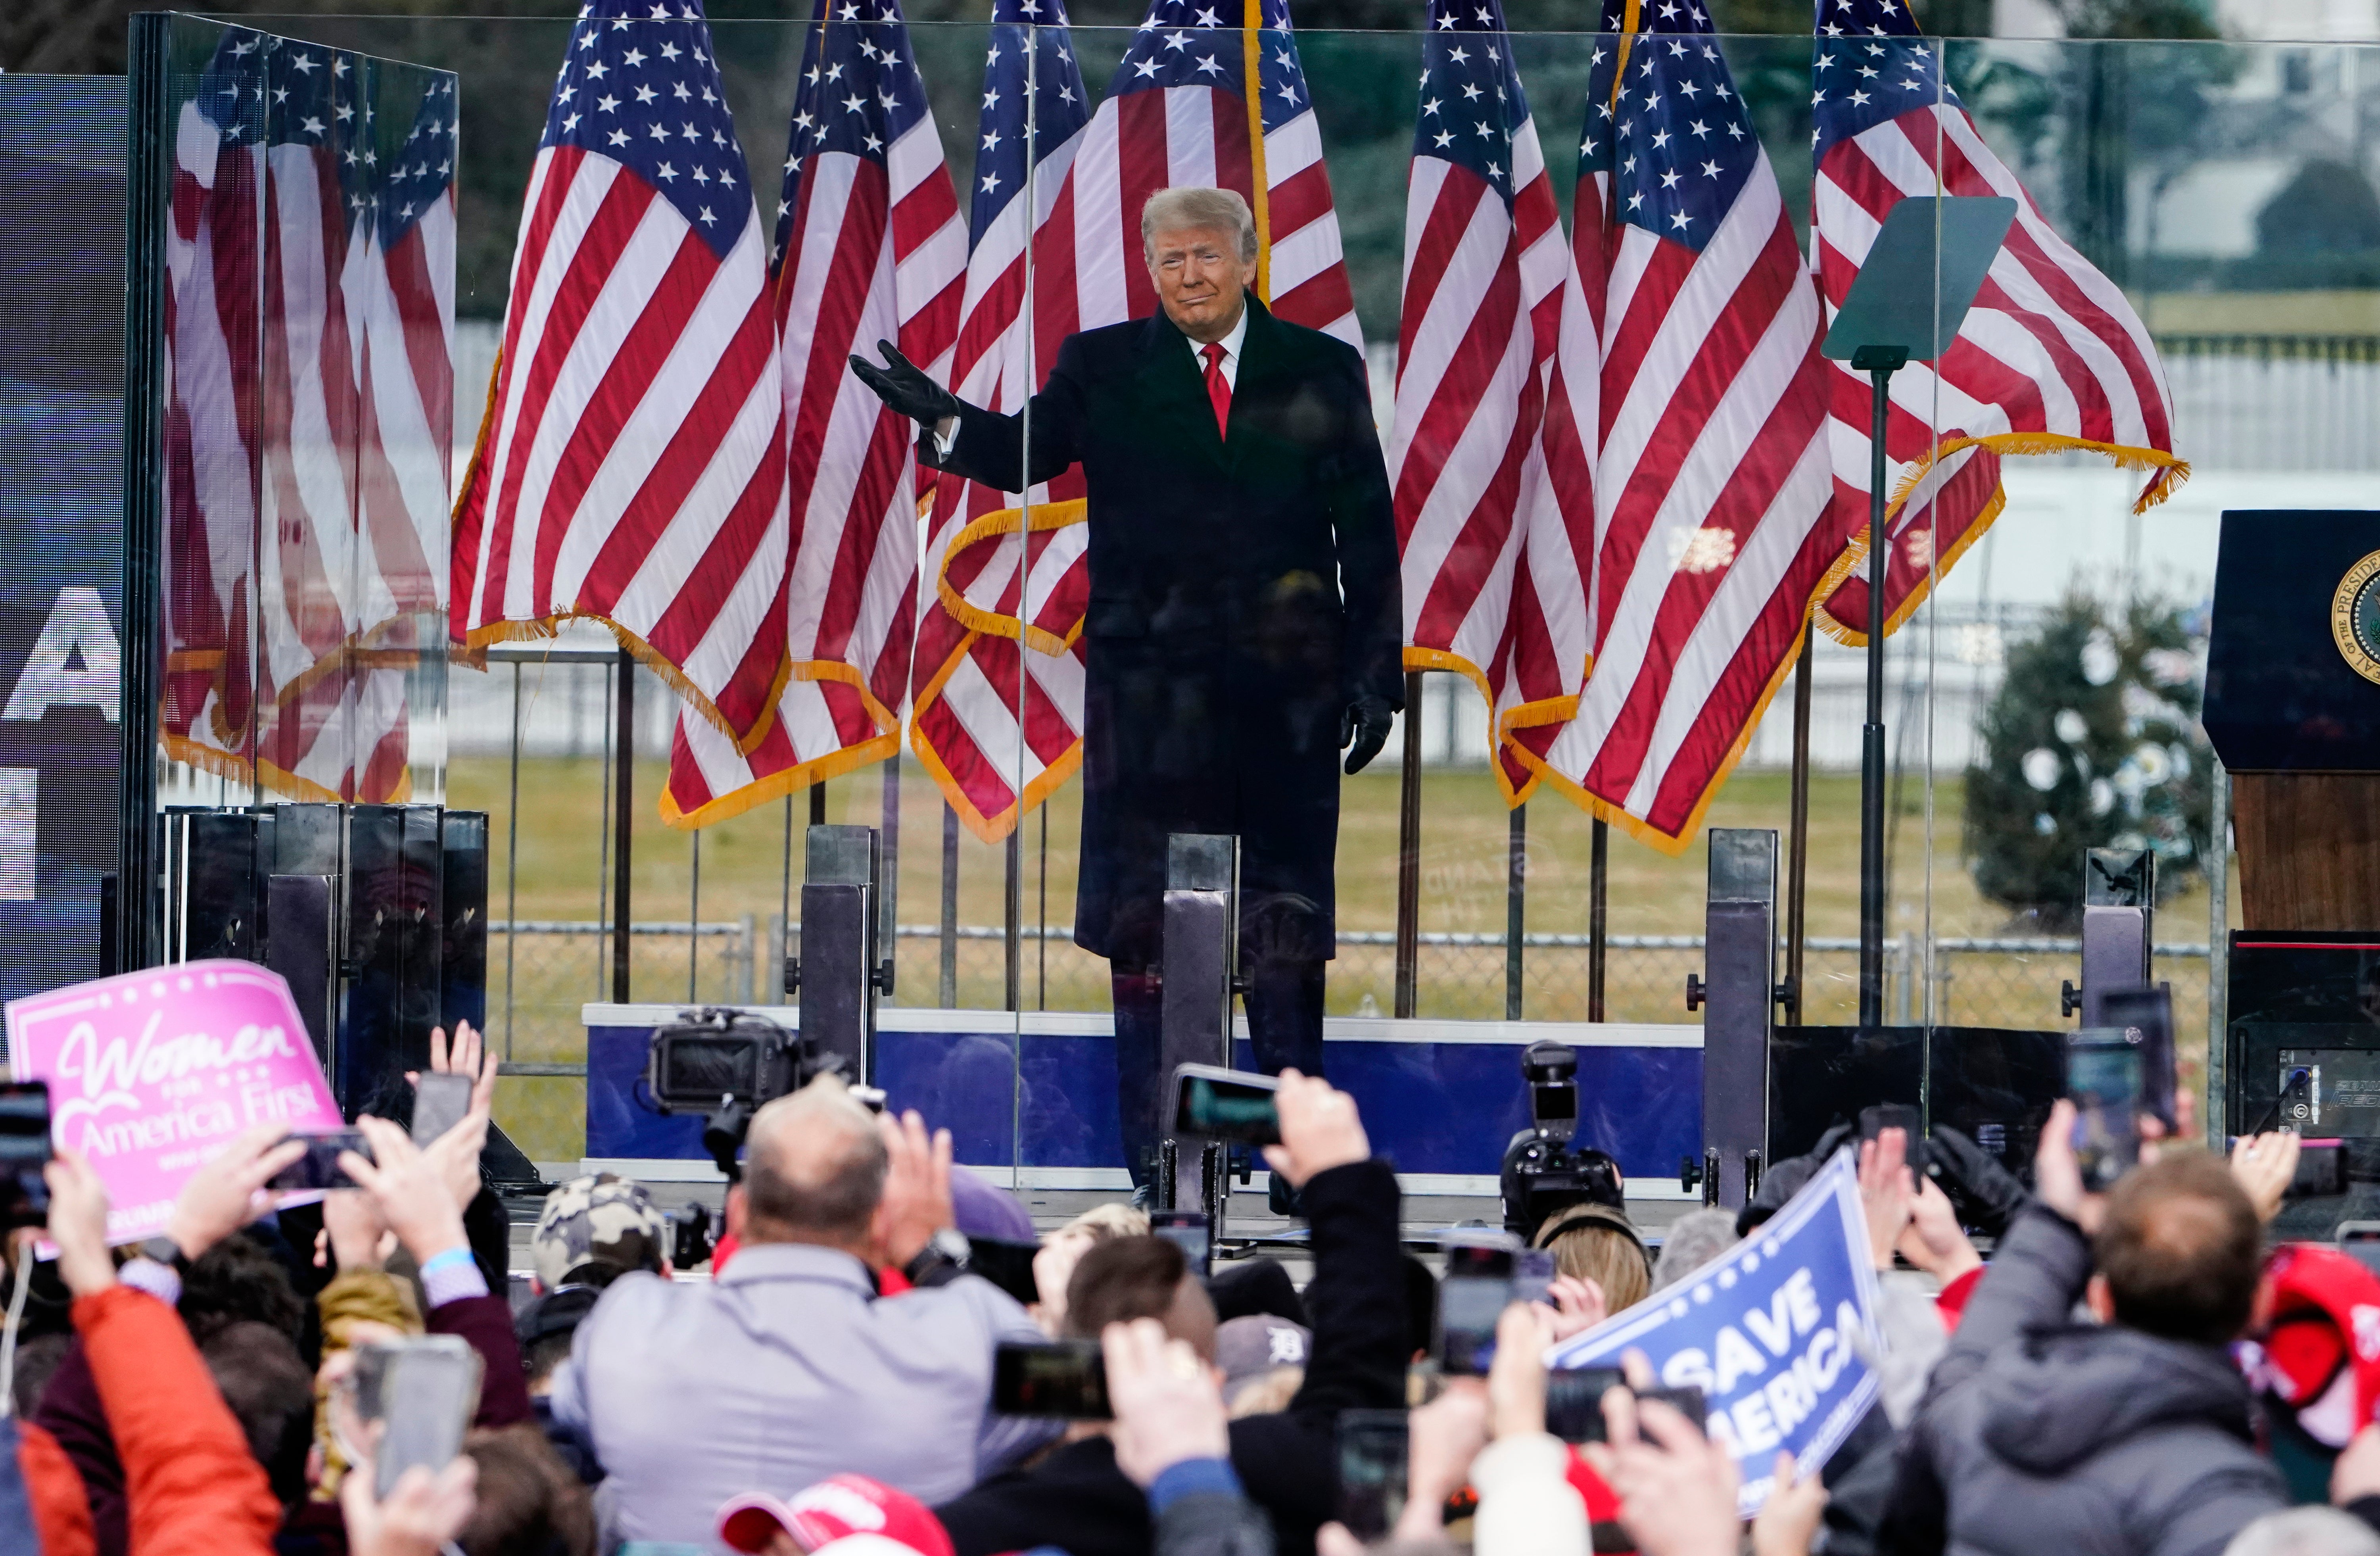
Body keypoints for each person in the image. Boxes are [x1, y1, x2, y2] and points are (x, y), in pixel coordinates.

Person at [850, 184, 1403, 1187]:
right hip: (1148, 703)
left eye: (1206, 257)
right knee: (1145, 929)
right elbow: (1027, 453)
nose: (1188, 277)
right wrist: (946, 429)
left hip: (1288, 699)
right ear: (1149, 268)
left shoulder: (1321, 369)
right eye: (1169, 261)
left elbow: (1365, 535)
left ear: (1246, 261)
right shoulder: (1102, 365)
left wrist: (1374, 677)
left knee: (1282, 929)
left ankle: (1295, 1161)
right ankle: (1165, 1156)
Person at [546, 1077, 1052, 1546]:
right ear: (882, 1224)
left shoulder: (630, 1323)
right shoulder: (961, 1347)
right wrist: (934, 1256)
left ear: (739, 1214)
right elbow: (1069, 1391)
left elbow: (563, 1422)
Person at [932, 1071, 1408, 1556]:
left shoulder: (982, 1521)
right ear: (1213, 1381)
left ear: (1067, 1371)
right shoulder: (1283, 1479)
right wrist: (1344, 1175)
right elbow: (1359, 1379)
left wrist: (923, 1262)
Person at [1882, 1101, 2327, 1555]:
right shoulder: (2221, 1498)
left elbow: (1976, 1351)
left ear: (2101, 1298)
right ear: (2262, 1304)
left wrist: (2059, 1215)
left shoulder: (1972, 1413)